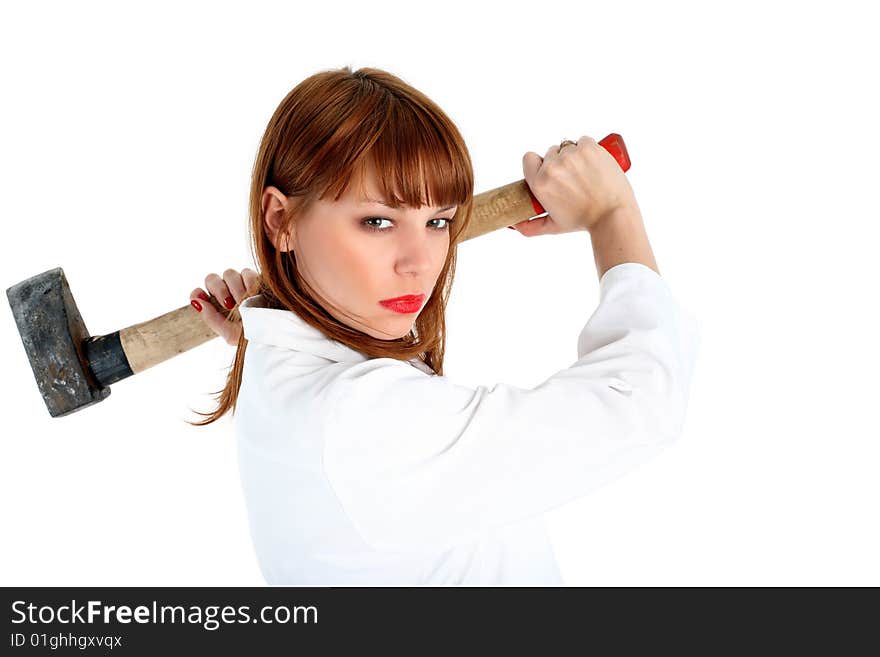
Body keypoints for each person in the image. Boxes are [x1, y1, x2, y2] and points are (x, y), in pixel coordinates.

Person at [187, 65, 700, 585]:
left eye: (437, 221)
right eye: (378, 221)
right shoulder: (363, 420)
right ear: (280, 220)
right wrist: (614, 214)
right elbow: (640, 403)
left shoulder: (287, 364)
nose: (420, 262)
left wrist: (277, 310)